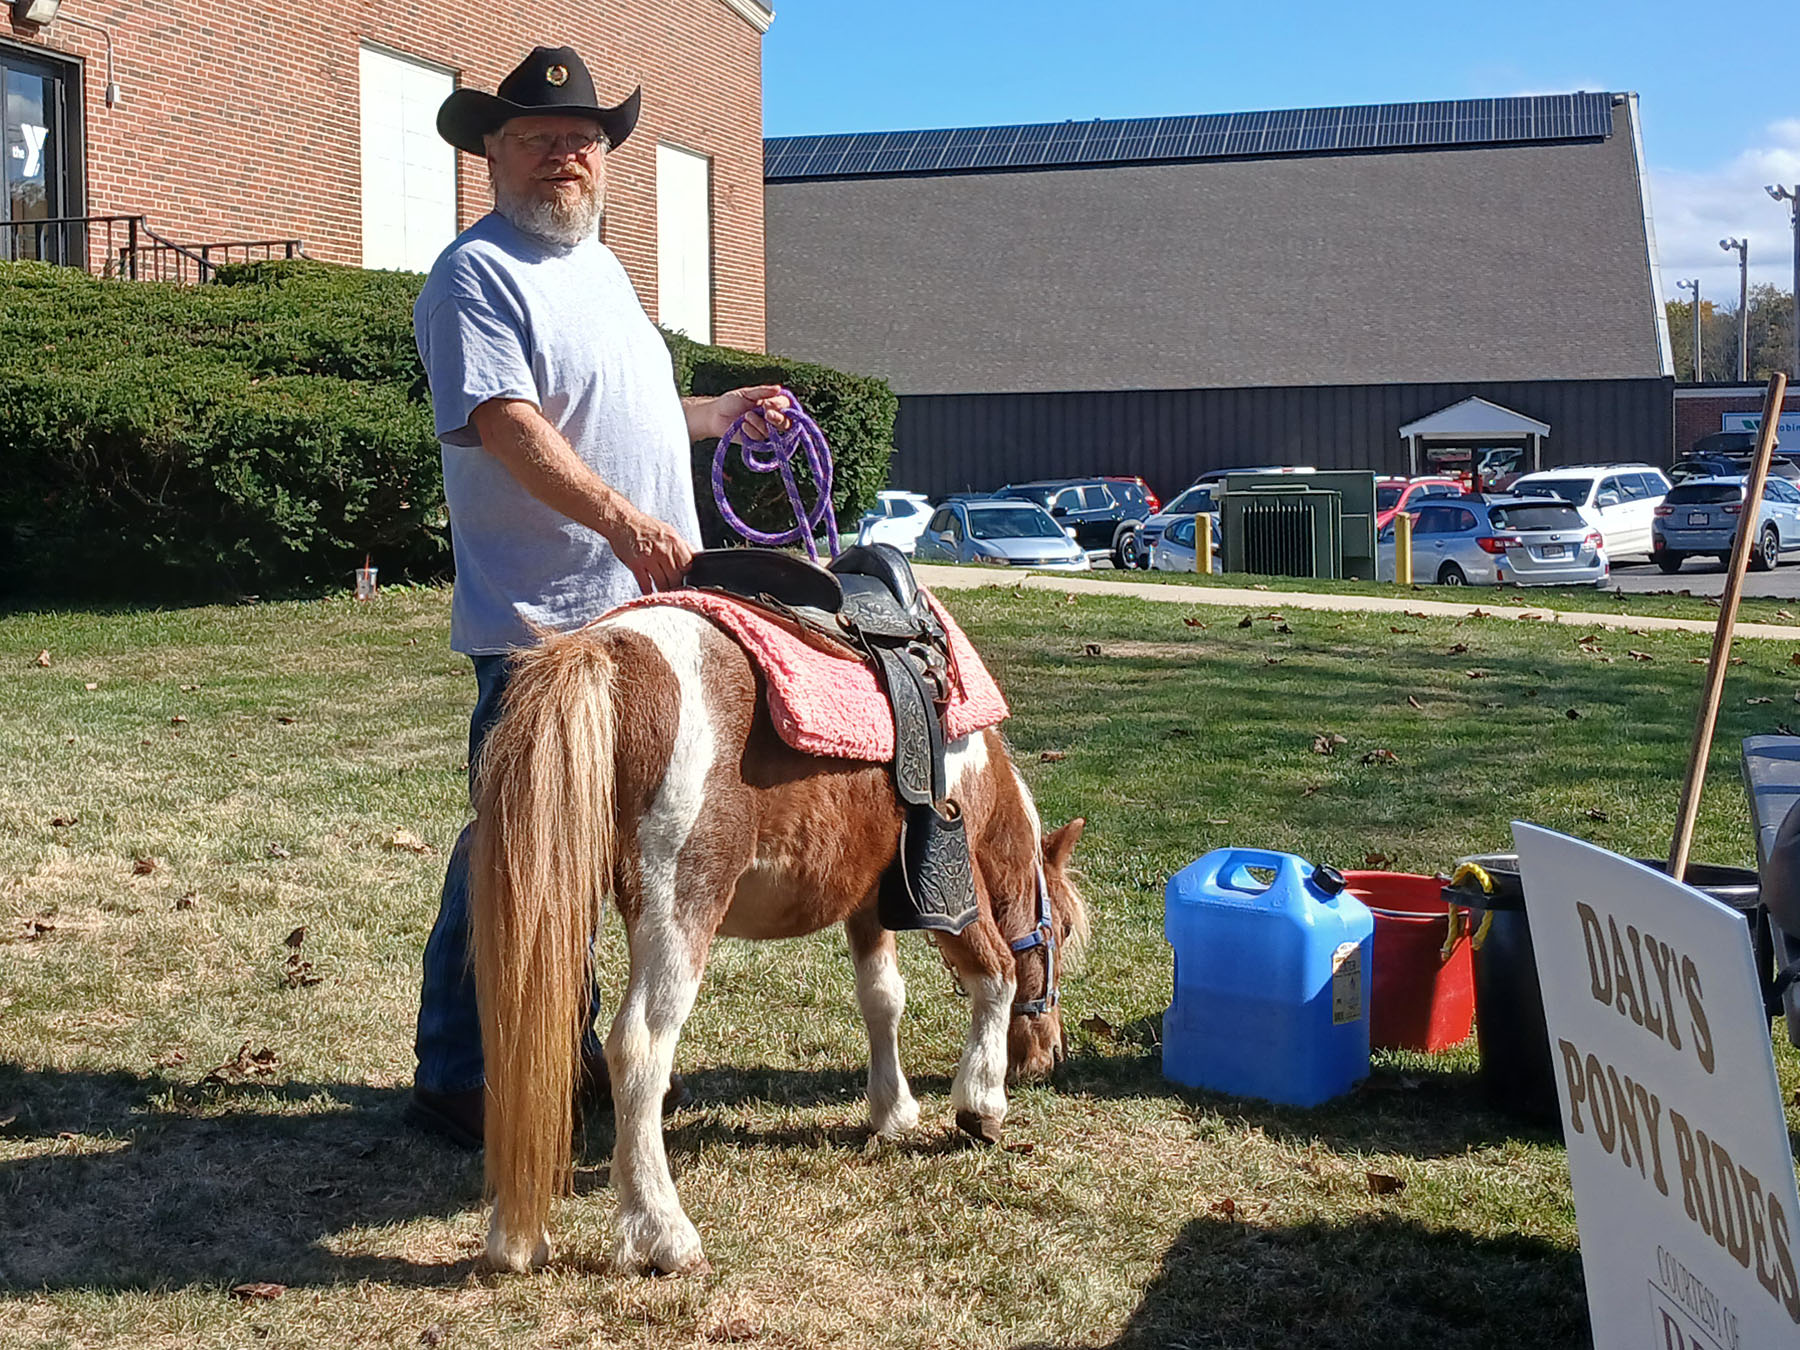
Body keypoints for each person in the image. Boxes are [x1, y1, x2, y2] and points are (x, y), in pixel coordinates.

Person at [406, 45, 789, 1147]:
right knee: (523, 846)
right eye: (537, 138)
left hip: (642, 626)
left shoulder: (605, 272)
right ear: (492, 154)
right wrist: (624, 522)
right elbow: (506, 425)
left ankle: (558, 1058)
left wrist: (720, 414)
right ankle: (466, 1073)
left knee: (596, 847)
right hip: (542, 622)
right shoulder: (474, 275)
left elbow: (629, 403)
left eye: (581, 140)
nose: (564, 156)